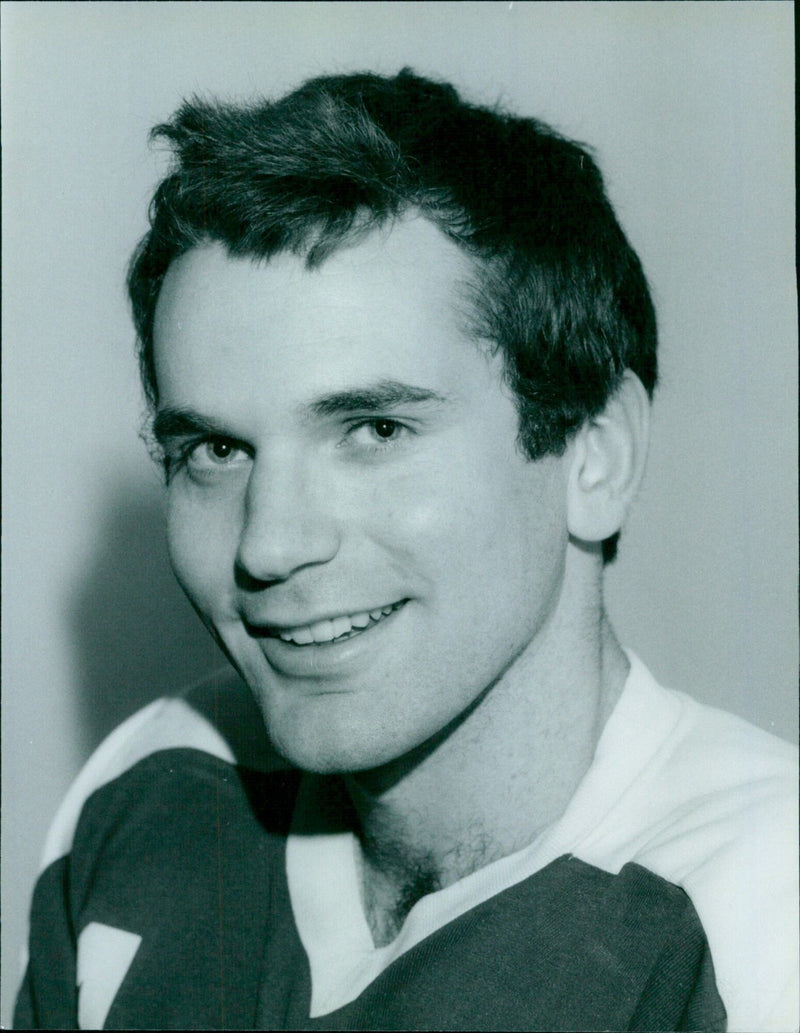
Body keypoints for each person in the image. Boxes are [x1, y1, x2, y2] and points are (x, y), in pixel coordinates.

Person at [15, 70, 797, 1032]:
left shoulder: (760, 923)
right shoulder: (152, 791)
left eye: (375, 430)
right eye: (215, 451)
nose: (270, 544)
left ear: (596, 453)